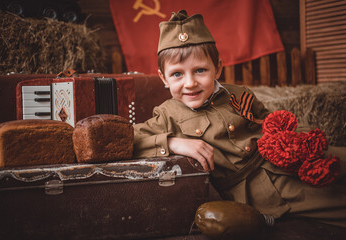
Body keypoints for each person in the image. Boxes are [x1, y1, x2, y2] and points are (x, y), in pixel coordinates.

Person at [133, 10, 346, 228]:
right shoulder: (167, 114)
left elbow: (268, 120)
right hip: (259, 187)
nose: (190, 83)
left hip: (280, 157)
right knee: (335, 201)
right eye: (177, 74)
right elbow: (129, 139)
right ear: (163, 78)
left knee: (338, 157)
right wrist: (171, 142)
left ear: (217, 68)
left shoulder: (237, 93)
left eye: (200, 70)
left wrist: (300, 139)